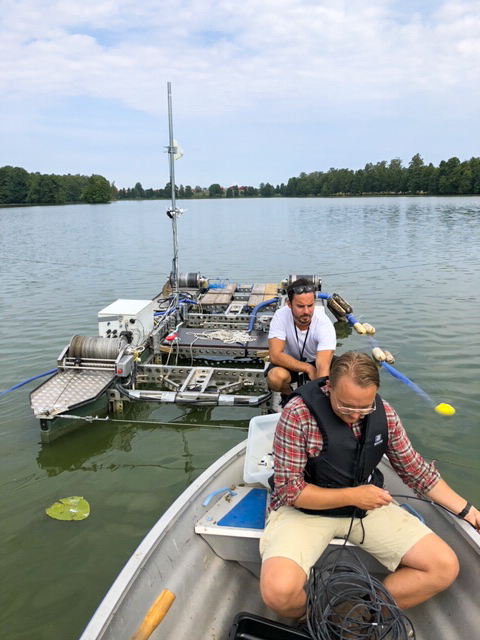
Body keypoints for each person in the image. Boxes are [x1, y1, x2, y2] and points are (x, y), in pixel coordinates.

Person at [259, 351, 480, 621]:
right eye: (346, 406)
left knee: (443, 566)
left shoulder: (384, 413)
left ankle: (356, 616)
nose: (355, 416)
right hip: (305, 510)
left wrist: (468, 510)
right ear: (329, 387)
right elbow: (289, 491)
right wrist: (354, 496)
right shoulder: (297, 414)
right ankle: (313, 619)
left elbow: (416, 471)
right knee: (277, 592)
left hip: (365, 505)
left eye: (364, 408)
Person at [266, 278, 336, 402]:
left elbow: (323, 365)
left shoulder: (324, 323)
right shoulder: (280, 316)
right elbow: (275, 355)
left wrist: (319, 399)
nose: (306, 312)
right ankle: (289, 395)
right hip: (289, 361)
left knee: (346, 373)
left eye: (310, 306)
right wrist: (307, 368)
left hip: (317, 360)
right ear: (289, 304)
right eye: (300, 306)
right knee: (274, 378)